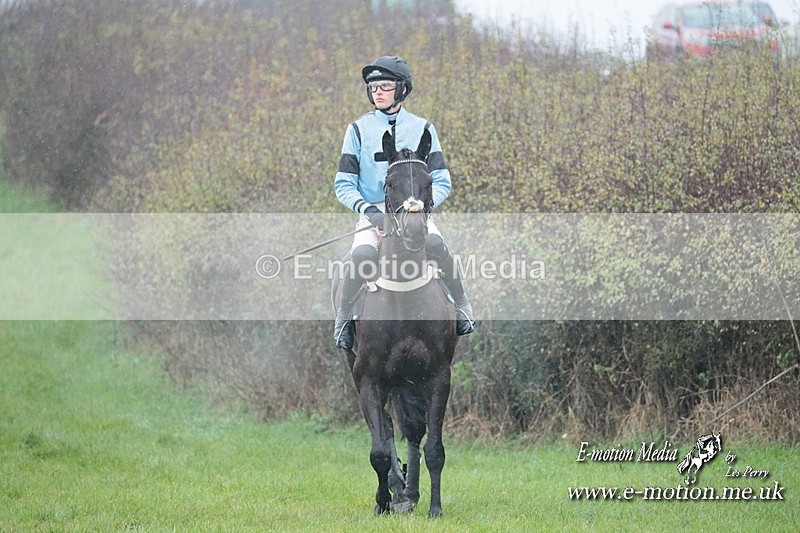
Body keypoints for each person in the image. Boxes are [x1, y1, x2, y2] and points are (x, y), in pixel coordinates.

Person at [332, 55, 474, 350]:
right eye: (373, 88)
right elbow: (343, 184)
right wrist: (369, 211)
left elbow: (442, 180)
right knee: (359, 257)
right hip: (374, 211)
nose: (377, 92)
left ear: (403, 90)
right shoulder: (357, 129)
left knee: (437, 247)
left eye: (384, 86)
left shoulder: (424, 128)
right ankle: (344, 320)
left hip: (416, 211)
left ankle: (461, 306)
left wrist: (421, 208)